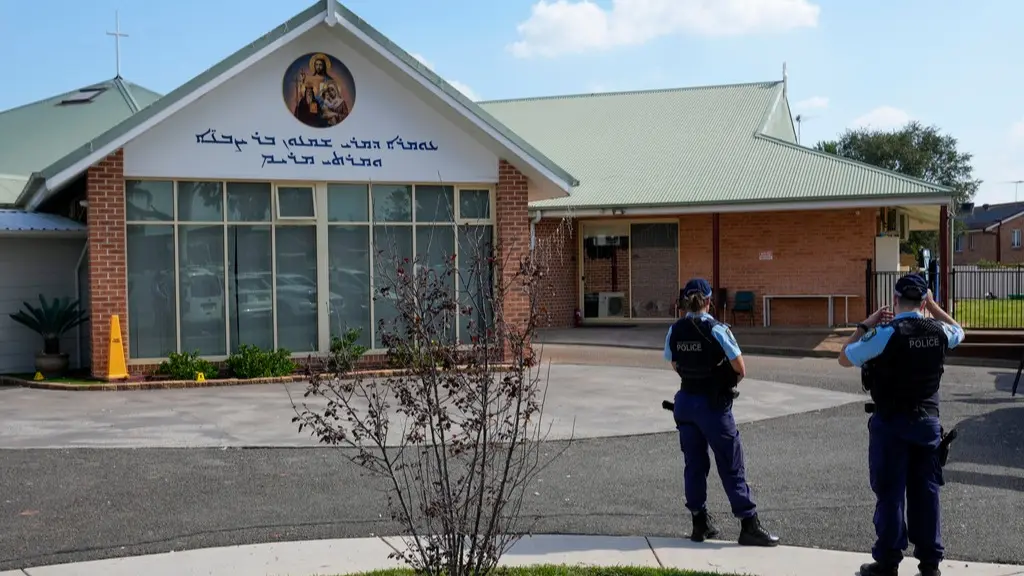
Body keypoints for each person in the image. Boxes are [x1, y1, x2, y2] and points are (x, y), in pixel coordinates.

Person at [838, 273, 965, 576]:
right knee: (927, 493)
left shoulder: (885, 333)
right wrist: (934, 307)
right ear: (923, 302)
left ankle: (887, 561)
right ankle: (930, 564)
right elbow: (960, 330)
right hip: (927, 424)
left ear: (895, 301)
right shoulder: (939, 332)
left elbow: (844, 357)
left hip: (891, 423)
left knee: (891, 493)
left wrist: (866, 323)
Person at [663, 278, 780, 547]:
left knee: (694, 465)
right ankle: (748, 524)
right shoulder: (717, 329)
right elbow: (740, 368)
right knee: (730, 463)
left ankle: (699, 522)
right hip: (712, 407)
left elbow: (674, 362)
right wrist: (721, 384)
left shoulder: (675, 329)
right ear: (708, 300)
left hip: (685, 403)